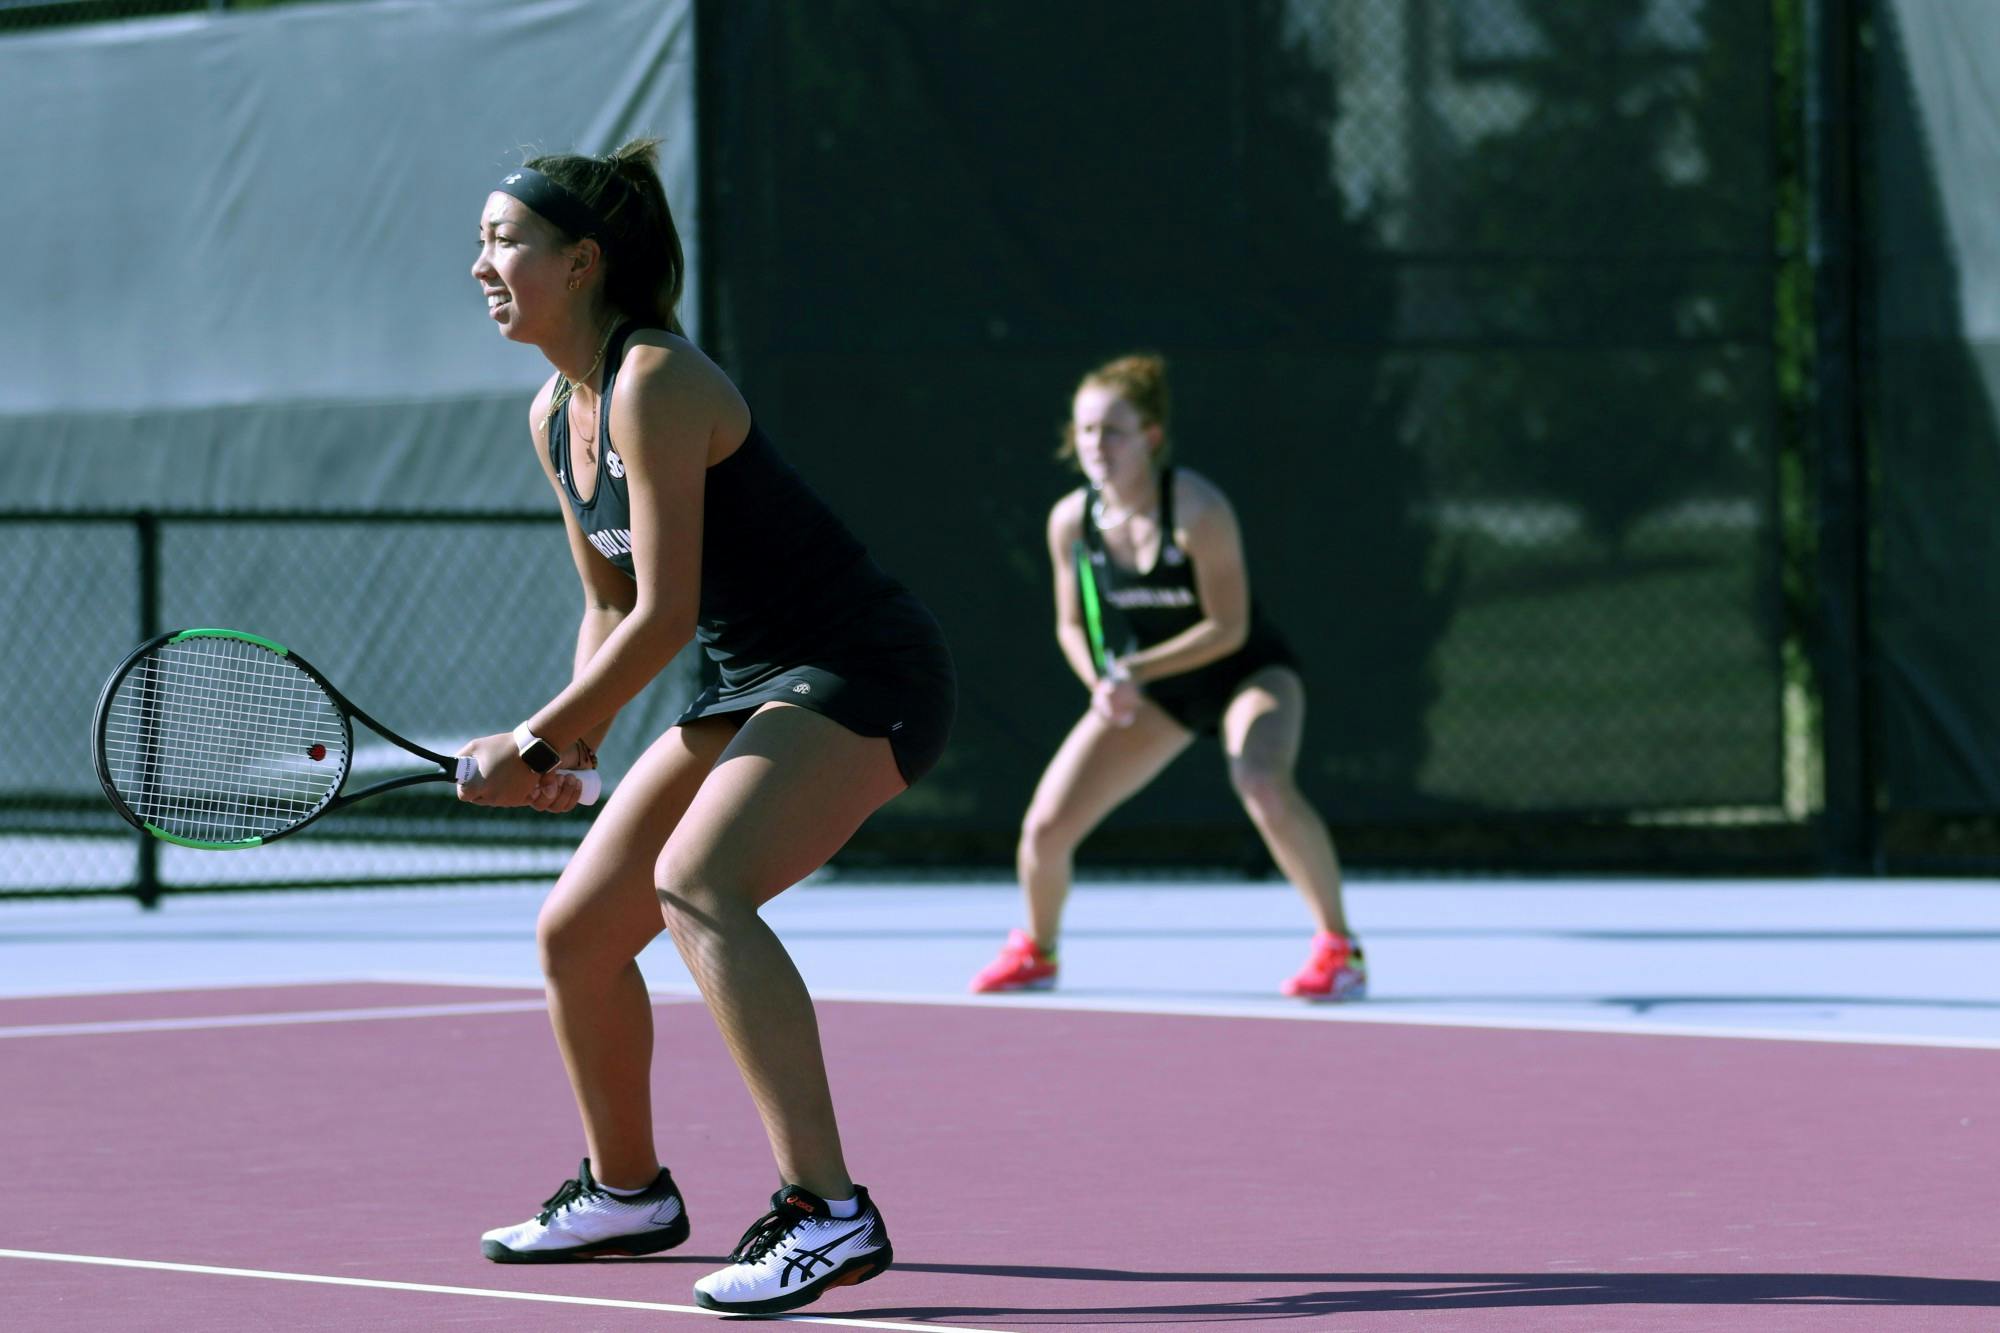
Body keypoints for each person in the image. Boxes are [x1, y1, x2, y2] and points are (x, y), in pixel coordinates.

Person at [459, 139, 954, 1316]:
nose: (481, 264)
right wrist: (571, 749)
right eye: (481, 241)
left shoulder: (653, 380)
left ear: (581, 263)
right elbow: (611, 605)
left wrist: (530, 740)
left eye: (504, 241)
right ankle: (628, 1191)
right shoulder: (554, 411)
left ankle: (827, 1210)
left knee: (699, 883)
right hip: (747, 682)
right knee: (577, 932)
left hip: (857, 666)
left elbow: (668, 608)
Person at [969, 354, 1364, 1001]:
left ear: (1151, 436)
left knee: (1261, 780)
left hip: (1247, 673)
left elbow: (1228, 627)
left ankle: (1340, 949)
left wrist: (1134, 668)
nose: (1097, 445)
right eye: (1086, 430)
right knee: (1044, 827)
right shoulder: (1071, 520)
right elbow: (1070, 623)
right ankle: (1038, 950)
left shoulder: (1199, 509)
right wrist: (1102, 679)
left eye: (1114, 430)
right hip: (1157, 692)